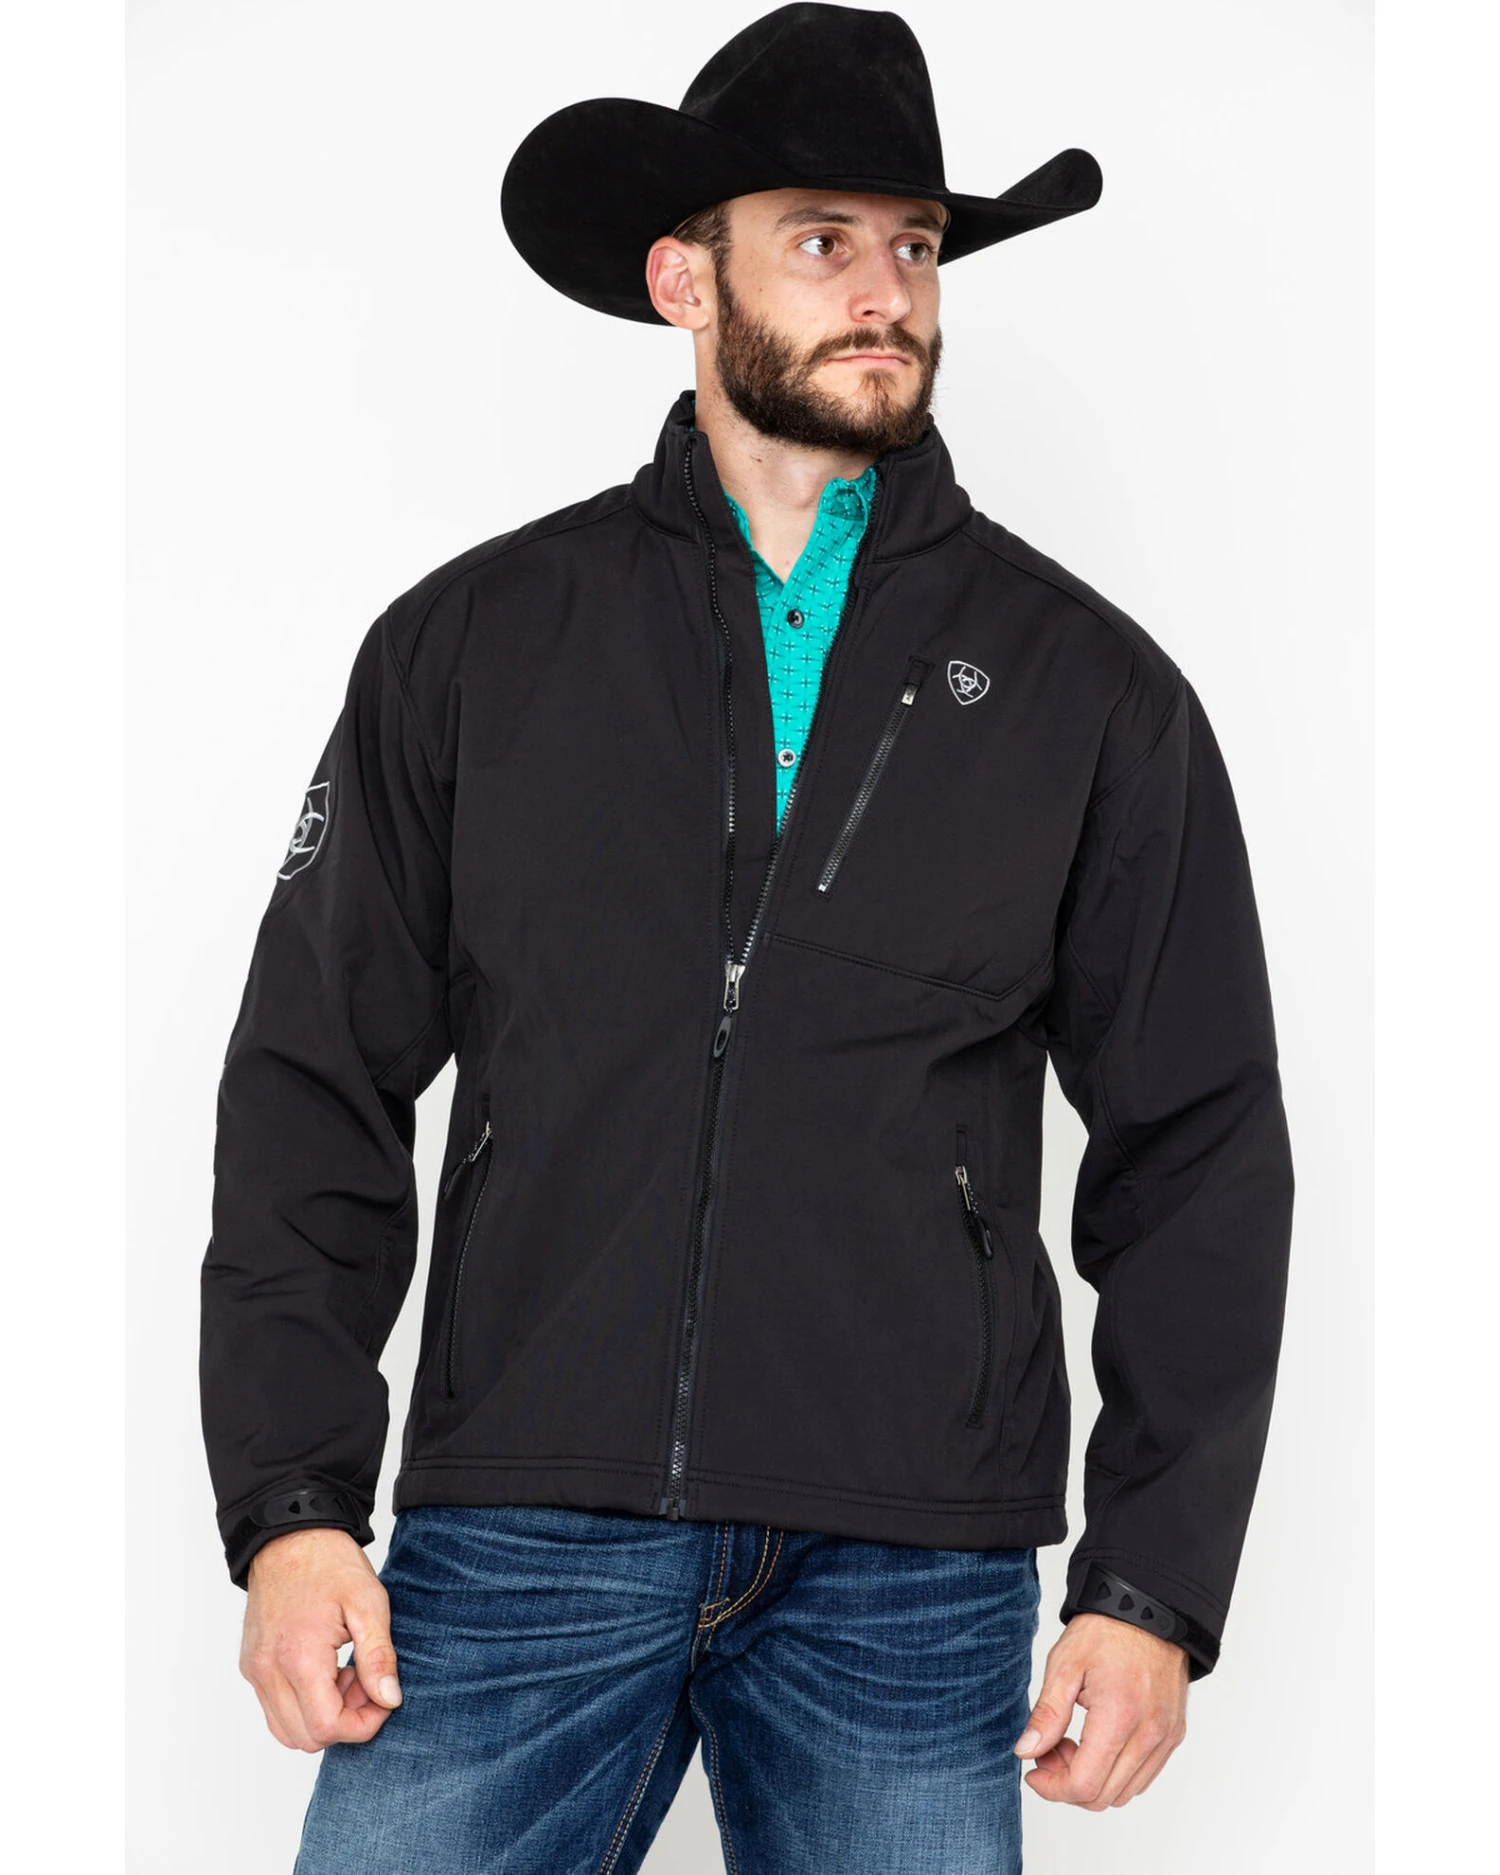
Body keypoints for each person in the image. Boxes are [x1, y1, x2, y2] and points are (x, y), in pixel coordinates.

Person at [199, 6, 1295, 1870]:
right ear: (682, 280)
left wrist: (1152, 1581)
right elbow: (312, 1077)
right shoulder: (474, 648)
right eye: (822, 239)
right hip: (524, 1526)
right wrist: (295, 1505)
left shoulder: (1089, 692)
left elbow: (1200, 1143)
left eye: (916, 247)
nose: (885, 292)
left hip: (909, 1567)